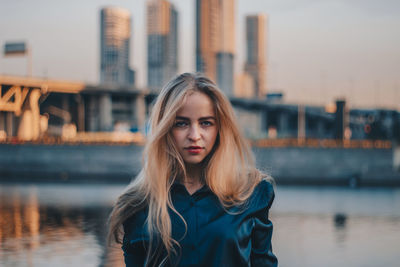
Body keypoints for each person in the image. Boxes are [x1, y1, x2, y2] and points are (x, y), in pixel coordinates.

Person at [108, 73, 277, 267]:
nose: (194, 135)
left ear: (220, 128)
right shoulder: (137, 204)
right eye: (181, 123)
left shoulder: (251, 192)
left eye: (206, 123)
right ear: (165, 129)